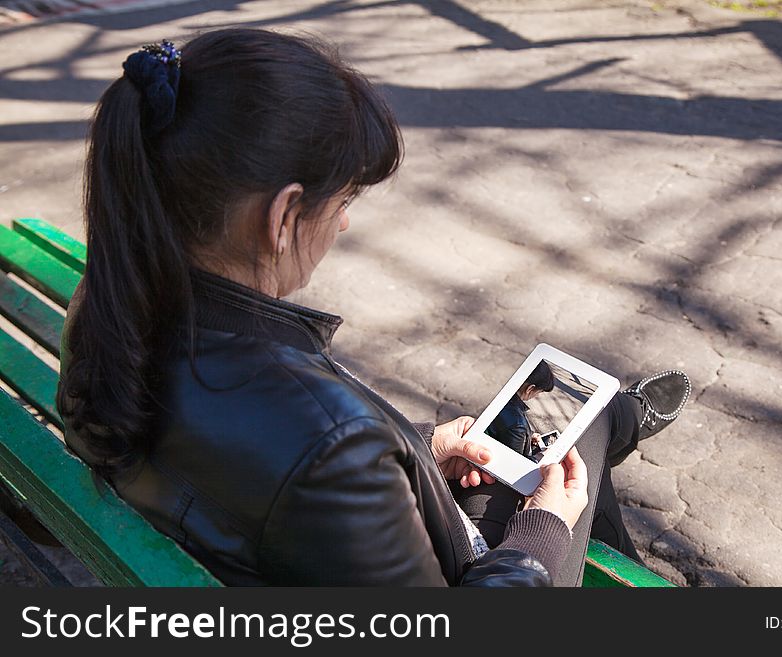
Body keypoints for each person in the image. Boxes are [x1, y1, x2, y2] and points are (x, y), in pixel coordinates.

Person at [56, 29, 690, 587]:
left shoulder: (109, 305)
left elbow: (274, 472)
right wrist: (542, 534)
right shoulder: (332, 441)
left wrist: (414, 452)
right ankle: (619, 421)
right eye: (344, 201)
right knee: (586, 436)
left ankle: (616, 423)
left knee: (539, 448)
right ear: (282, 216)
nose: (346, 224)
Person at [486, 361, 554, 457]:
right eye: (539, 392)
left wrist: (530, 435)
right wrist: (541, 456)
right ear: (530, 389)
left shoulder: (502, 396)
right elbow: (513, 463)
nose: (537, 396)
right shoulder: (518, 425)